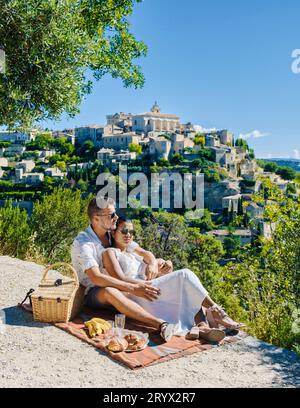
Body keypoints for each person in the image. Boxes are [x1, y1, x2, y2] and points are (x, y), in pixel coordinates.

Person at [100, 217, 244, 341]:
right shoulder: (110, 252)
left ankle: (203, 327)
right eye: (124, 231)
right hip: (134, 294)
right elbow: (119, 278)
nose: (129, 235)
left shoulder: (133, 251)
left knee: (186, 287)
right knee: (185, 275)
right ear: (113, 232)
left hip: (147, 289)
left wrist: (159, 269)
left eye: (132, 232)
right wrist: (145, 283)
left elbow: (149, 259)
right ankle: (217, 312)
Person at [71, 196, 180, 341]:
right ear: (96, 219)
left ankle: (188, 315)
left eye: (115, 213)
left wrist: (154, 263)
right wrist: (131, 287)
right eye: (111, 215)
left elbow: (142, 252)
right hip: (94, 292)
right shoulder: (83, 243)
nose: (116, 217)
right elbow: (96, 277)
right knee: (111, 291)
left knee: (158, 275)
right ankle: (161, 324)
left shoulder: (112, 233)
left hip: (121, 285)